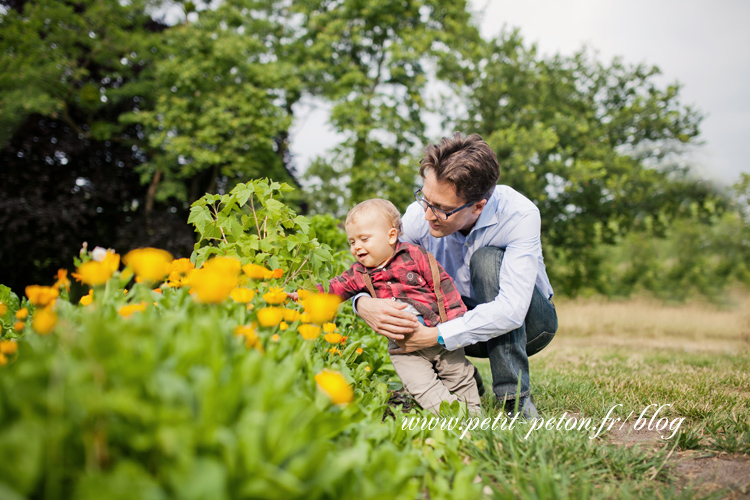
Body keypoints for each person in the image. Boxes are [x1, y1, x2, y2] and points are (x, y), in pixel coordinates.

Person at [354, 133, 558, 419]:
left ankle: (515, 398)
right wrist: (363, 304)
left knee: (486, 260)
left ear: (478, 206)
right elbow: (372, 266)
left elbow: (512, 310)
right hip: (459, 321)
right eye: (425, 200)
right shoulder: (419, 216)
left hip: (529, 325)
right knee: (412, 292)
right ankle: (458, 379)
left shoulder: (520, 214)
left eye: (443, 210)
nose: (428, 215)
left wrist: (434, 335)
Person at [300, 198, 481, 414]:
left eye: (364, 239)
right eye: (352, 242)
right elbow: (334, 288)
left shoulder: (415, 256)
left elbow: (442, 285)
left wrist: (452, 327)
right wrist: (305, 295)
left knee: (458, 376)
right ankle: (456, 416)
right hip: (404, 348)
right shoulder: (359, 273)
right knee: (421, 387)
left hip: (438, 332)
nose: (357, 246)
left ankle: (474, 412)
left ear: (391, 236)